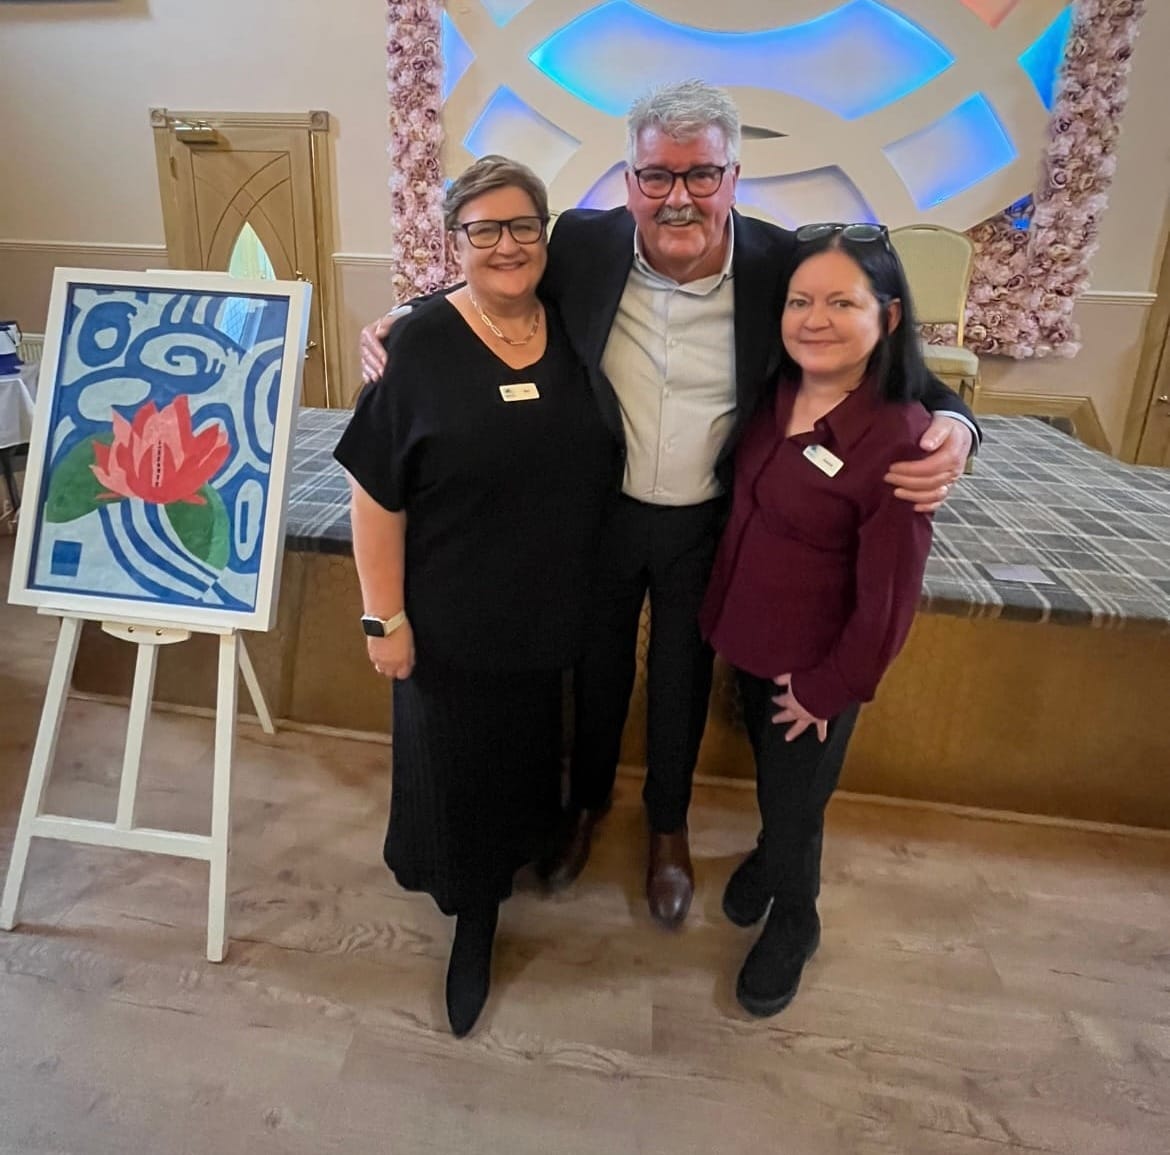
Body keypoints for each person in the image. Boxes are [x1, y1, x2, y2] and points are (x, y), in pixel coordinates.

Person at [360, 80, 978, 930]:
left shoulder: (777, 267)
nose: (677, 196)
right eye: (655, 175)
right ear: (627, 178)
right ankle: (584, 809)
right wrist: (408, 315)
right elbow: (499, 279)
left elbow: (886, 351)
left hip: (706, 518)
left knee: (681, 680)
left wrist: (957, 420)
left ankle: (667, 827)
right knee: (598, 668)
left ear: (733, 174)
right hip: (599, 511)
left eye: (700, 175)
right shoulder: (582, 242)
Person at [335, 156, 615, 1037]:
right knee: (457, 778)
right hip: (449, 623)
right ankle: (474, 923)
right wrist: (385, 615)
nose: (506, 244)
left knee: (527, 760)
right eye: (483, 229)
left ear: (545, 235)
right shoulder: (417, 341)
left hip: (547, 619)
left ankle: (513, 868)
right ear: (454, 242)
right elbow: (376, 492)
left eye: (522, 226)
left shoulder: (571, 326)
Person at [699, 223, 936, 1017]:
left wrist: (829, 689)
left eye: (842, 301)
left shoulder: (898, 439)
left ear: (889, 316)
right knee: (776, 792)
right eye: (801, 300)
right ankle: (768, 857)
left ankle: (796, 920)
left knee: (797, 808)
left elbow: (890, 599)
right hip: (749, 640)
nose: (815, 318)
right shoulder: (777, 389)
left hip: (814, 674)